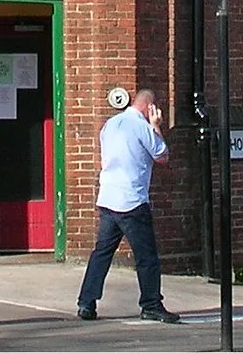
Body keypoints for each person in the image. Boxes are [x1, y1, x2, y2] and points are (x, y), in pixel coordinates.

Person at [76, 88, 179, 322]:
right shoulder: (142, 126)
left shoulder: (110, 125)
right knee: (146, 256)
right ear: (149, 107)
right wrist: (156, 125)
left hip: (108, 197)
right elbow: (162, 155)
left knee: (101, 253)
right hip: (131, 201)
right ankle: (151, 304)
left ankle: (86, 302)